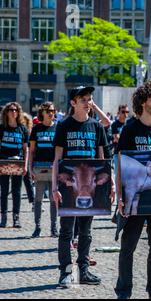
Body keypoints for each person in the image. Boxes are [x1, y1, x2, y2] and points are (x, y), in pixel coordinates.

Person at [114, 81, 151, 300]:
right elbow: (120, 163)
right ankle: (124, 291)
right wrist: (120, 196)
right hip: (134, 199)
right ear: (143, 102)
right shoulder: (130, 128)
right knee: (127, 248)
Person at [52, 86, 114, 288]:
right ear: (73, 103)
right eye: (83, 99)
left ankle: (84, 270)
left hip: (91, 186)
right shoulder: (63, 125)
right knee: (66, 231)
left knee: (86, 232)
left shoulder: (96, 126)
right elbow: (57, 159)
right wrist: (54, 187)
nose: (88, 102)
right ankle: (66, 273)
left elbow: (102, 158)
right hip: (68, 185)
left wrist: (110, 183)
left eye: (89, 99)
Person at [29, 102, 58, 238]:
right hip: (39, 167)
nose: (50, 113)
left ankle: (54, 228)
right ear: (42, 113)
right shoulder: (37, 129)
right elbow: (32, 150)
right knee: (38, 199)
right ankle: (37, 227)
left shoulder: (58, 128)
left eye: (52, 110)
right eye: (47, 111)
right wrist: (30, 167)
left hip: (54, 168)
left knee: (54, 200)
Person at [0, 102, 29, 228]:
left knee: (16, 192)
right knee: (4, 191)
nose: (14, 112)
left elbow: (26, 149)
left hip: (18, 163)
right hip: (3, 162)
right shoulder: (1, 128)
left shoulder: (22, 129)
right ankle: (3, 217)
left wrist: (26, 165)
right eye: (11, 110)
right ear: (6, 112)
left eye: (16, 110)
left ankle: (16, 218)